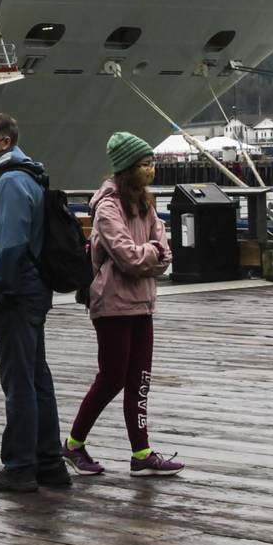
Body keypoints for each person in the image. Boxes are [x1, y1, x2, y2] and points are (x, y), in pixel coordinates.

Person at [63, 132, 183, 478]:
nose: (152, 170)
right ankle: (73, 443)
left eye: (152, 163)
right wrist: (154, 253)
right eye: (146, 165)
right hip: (112, 304)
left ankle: (141, 452)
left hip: (143, 303)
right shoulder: (107, 207)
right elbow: (129, 256)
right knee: (111, 378)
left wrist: (153, 253)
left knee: (140, 379)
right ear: (128, 168)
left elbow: (165, 251)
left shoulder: (146, 203)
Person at [0, 112, 68, 494]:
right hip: (32, 291)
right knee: (35, 377)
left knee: (18, 381)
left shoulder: (11, 183)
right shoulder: (29, 177)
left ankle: (20, 465)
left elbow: (11, 242)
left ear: (5, 142)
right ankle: (50, 462)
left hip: (15, 295)